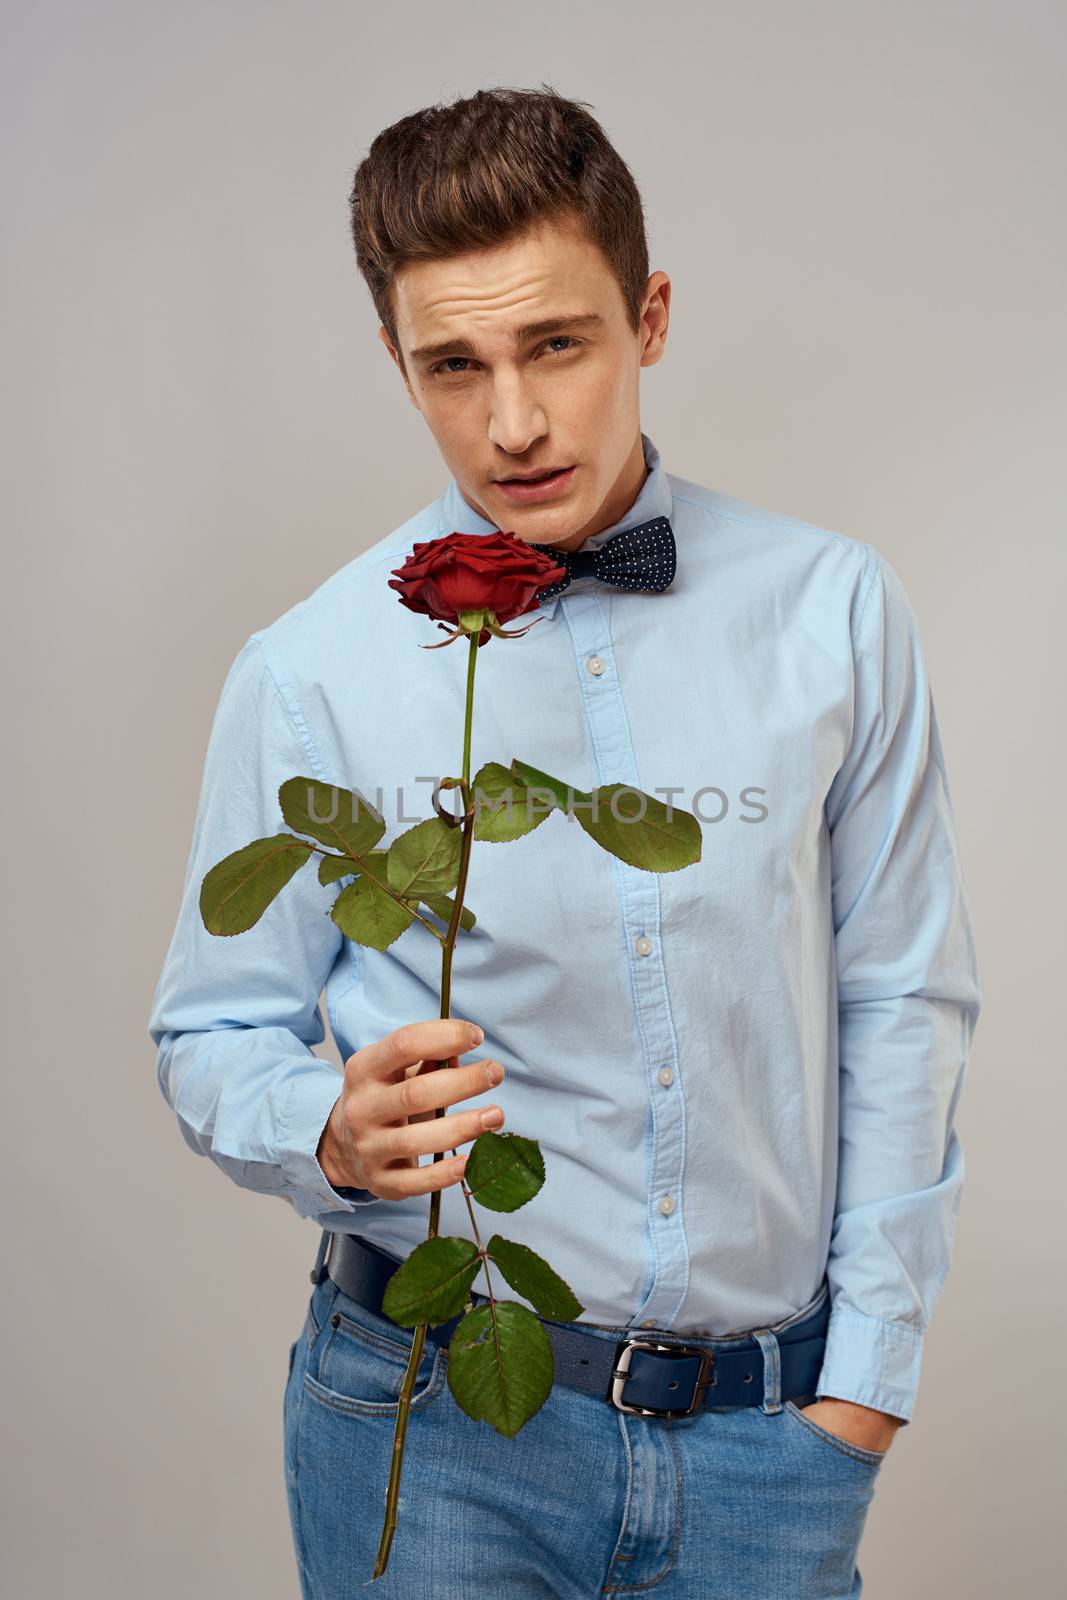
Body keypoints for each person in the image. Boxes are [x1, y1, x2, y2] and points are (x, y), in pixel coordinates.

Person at [147, 84, 981, 1598]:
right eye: (451, 366)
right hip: (428, 1420)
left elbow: (902, 998)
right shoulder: (313, 669)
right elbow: (211, 1032)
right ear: (397, 365)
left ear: (649, 316)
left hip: (767, 1448)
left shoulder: (835, 614)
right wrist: (326, 1130)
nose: (513, 423)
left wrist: (862, 1387)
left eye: (557, 345)